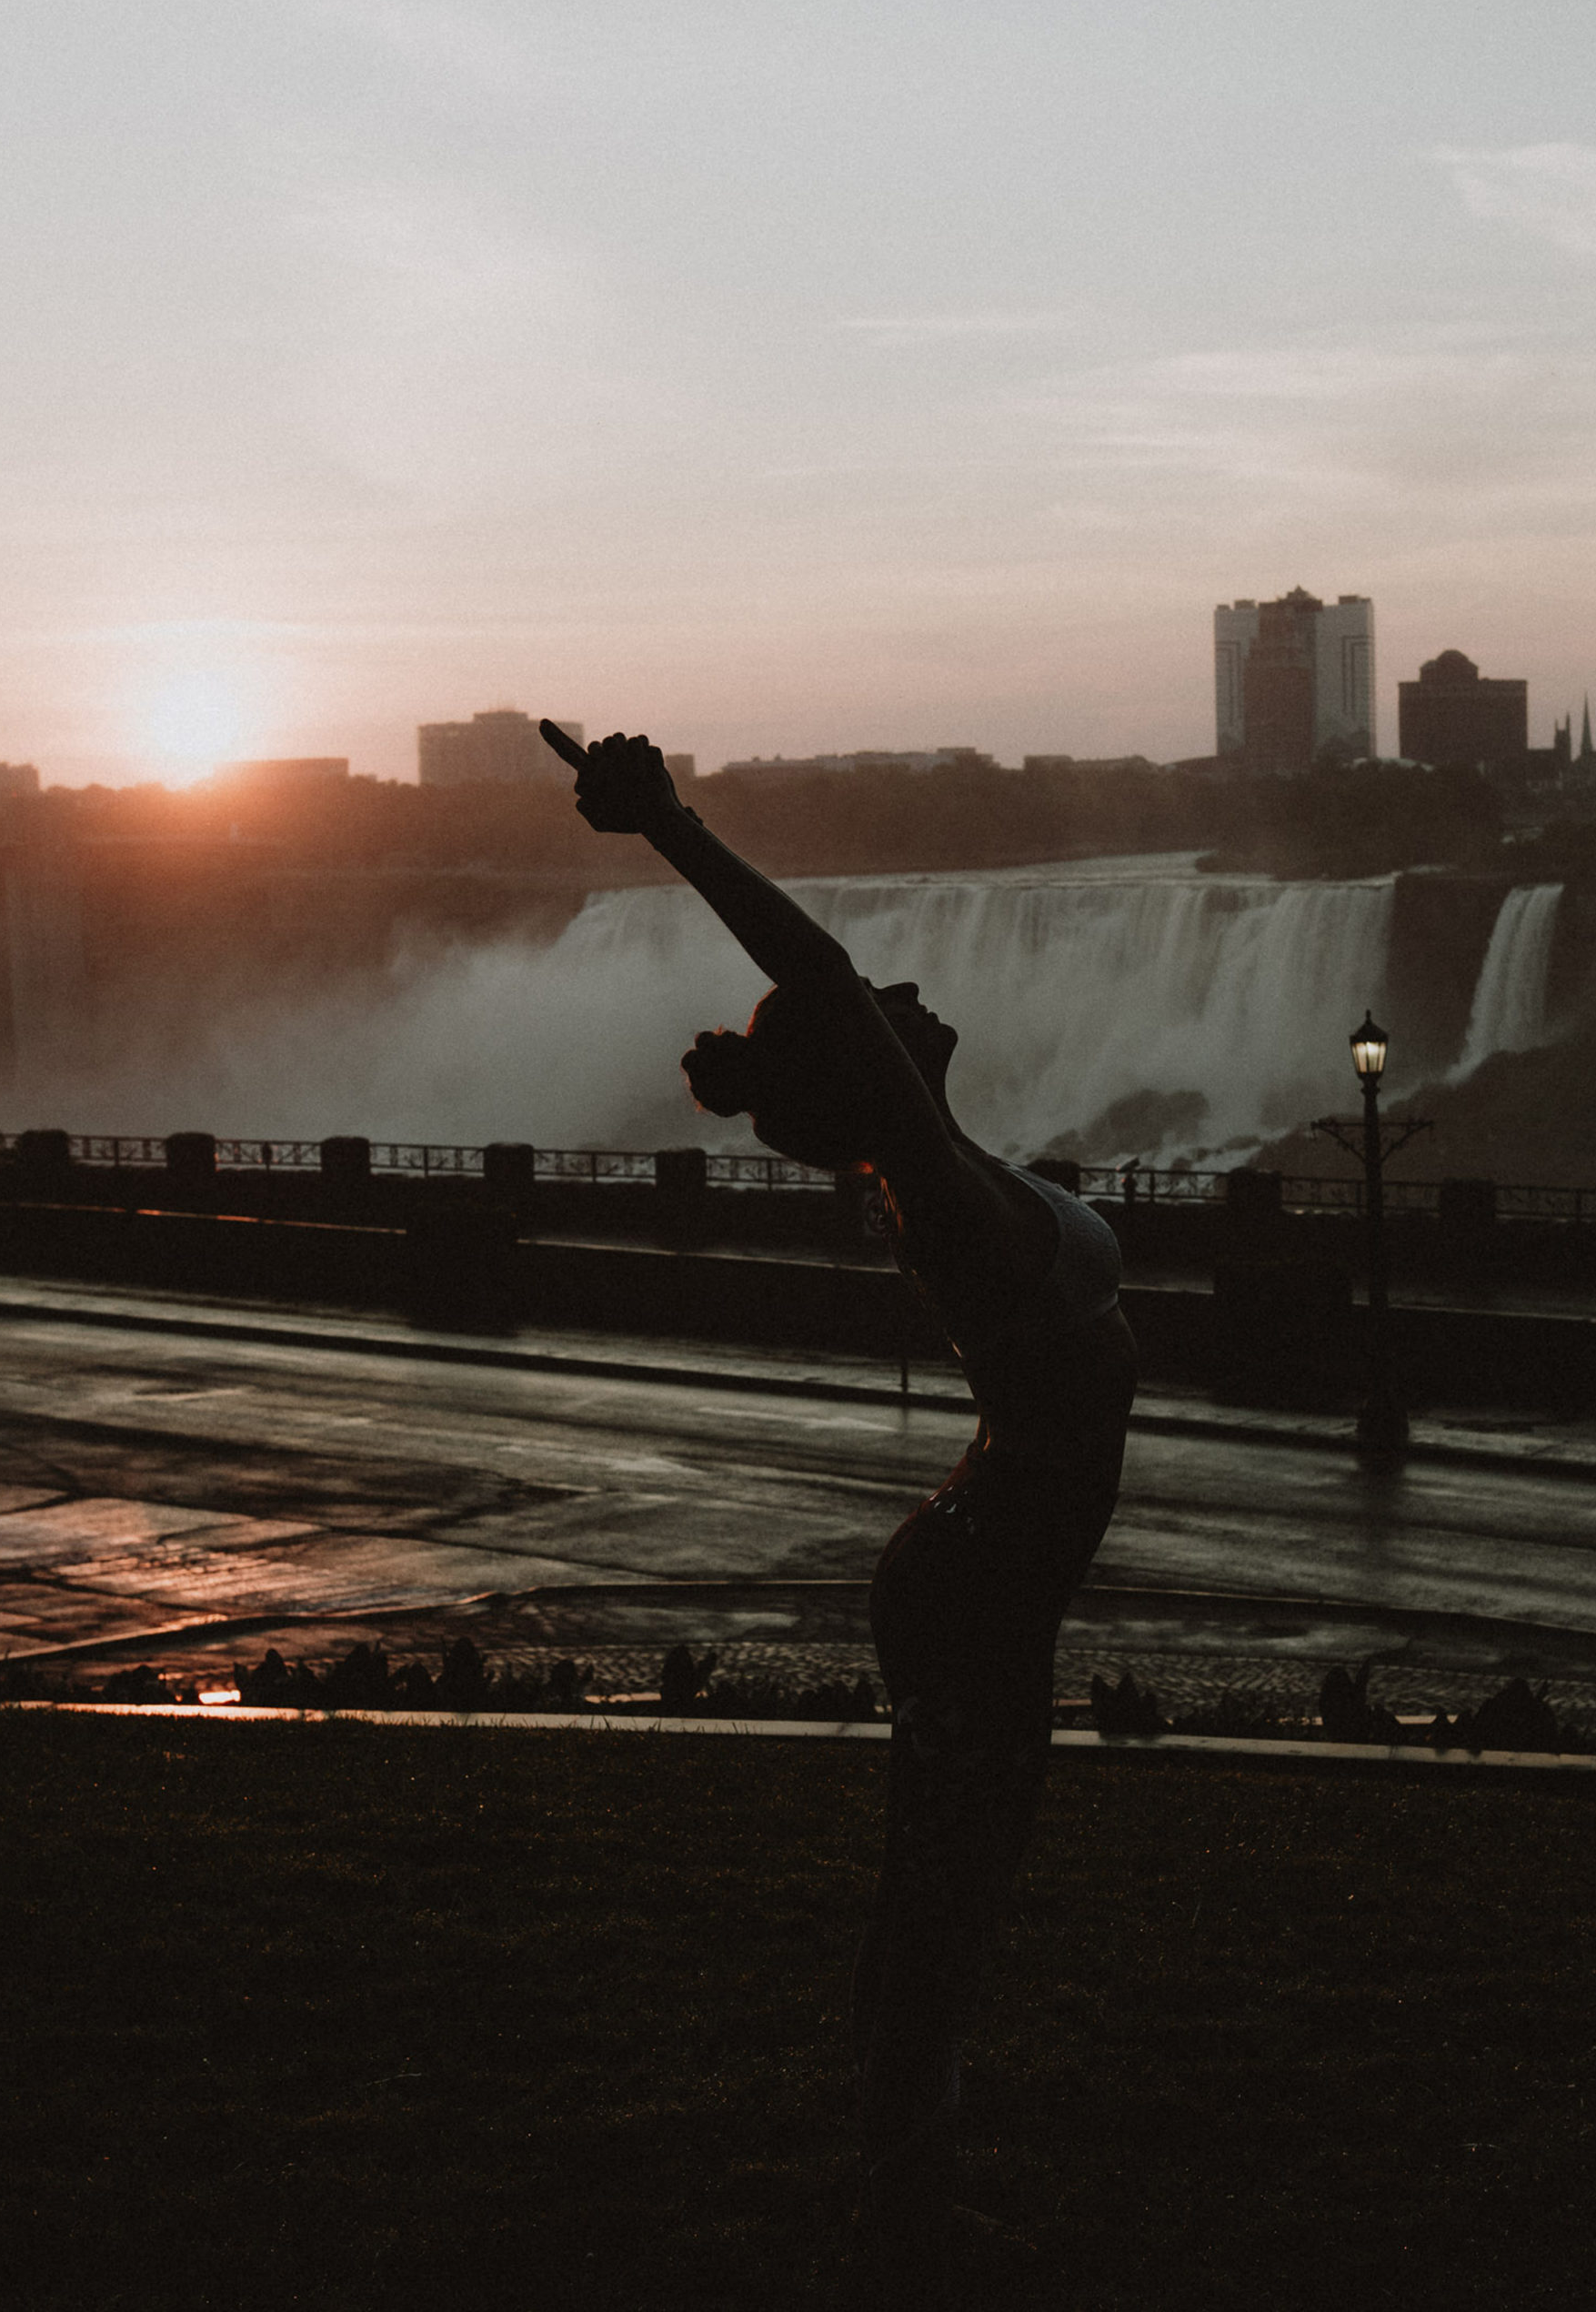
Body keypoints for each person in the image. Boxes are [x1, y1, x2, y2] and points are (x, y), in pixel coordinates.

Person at [543, 722, 1137, 2310]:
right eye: (883, 1016)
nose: (913, 998)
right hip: (976, 1576)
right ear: (860, 1068)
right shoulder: (931, 1175)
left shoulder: (949, 1171)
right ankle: (905, 2196)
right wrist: (671, 825)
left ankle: (911, 2163)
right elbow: (816, 963)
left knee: (956, 1878)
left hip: (984, 1565)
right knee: (945, 1890)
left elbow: (834, 993)